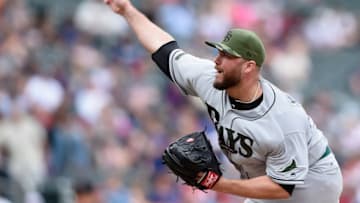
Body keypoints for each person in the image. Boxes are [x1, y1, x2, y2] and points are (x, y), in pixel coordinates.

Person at [103, 0, 343, 202]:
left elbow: (281, 187)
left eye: (226, 56)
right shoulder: (211, 77)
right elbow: (165, 50)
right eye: (218, 52)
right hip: (266, 175)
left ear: (249, 67)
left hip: (313, 182)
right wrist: (128, 11)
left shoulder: (284, 119)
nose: (217, 60)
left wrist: (218, 184)